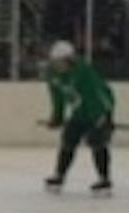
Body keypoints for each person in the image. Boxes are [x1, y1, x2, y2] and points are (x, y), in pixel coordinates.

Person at [40, 40, 115, 195]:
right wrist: (57, 116)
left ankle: (104, 179)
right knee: (68, 139)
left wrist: (103, 118)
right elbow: (57, 96)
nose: (57, 65)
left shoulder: (83, 72)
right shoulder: (53, 74)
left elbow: (96, 95)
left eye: (60, 62)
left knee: (97, 142)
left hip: (99, 109)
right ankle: (59, 175)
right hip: (79, 111)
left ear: (70, 60)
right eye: (55, 62)